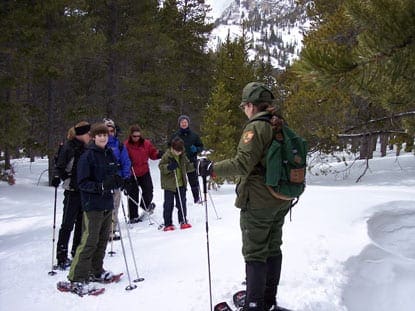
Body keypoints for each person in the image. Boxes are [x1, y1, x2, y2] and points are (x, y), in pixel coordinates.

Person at [198, 82, 292, 311]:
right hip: (281, 198)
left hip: (259, 201)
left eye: (244, 106)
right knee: (272, 248)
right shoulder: (280, 124)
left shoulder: (256, 128)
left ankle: (254, 306)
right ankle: (268, 302)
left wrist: (211, 168)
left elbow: (242, 164)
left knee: (255, 252)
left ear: (251, 105)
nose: (244, 110)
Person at [68, 123, 123, 289]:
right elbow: (82, 182)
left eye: (105, 135)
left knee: (102, 240)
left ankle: (96, 270)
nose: (103, 138)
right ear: (93, 137)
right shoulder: (88, 156)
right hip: (92, 204)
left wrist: (118, 180)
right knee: (89, 241)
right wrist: (100, 186)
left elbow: (114, 173)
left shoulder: (109, 154)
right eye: (99, 135)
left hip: (107, 202)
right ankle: (76, 277)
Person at [51, 121, 91, 269]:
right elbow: (59, 166)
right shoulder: (68, 147)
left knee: (81, 223)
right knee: (67, 224)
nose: (90, 136)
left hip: (84, 191)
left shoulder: (87, 147)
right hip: (72, 191)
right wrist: (58, 177)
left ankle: (76, 252)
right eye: (88, 134)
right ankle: (61, 257)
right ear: (81, 134)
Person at [124, 124, 163, 223]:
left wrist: (159, 154)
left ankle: (144, 205)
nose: (136, 138)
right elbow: (124, 158)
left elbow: (152, 154)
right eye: (134, 136)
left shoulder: (146, 143)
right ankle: (133, 216)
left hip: (144, 171)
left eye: (138, 136)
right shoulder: (126, 145)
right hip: (132, 172)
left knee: (149, 190)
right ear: (131, 135)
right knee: (133, 194)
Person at [103, 118, 131, 240]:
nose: (110, 133)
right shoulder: (100, 144)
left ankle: (111, 230)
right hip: (103, 181)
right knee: (104, 207)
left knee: (115, 206)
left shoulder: (119, 145)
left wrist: (125, 177)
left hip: (116, 179)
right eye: (107, 130)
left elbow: (126, 161)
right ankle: (103, 231)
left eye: (112, 130)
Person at [159, 137, 194, 231]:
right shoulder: (167, 155)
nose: (178, 153)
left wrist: (195, 165)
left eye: (180, 151)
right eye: (177, 151)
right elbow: (161, 167)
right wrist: (169, 167)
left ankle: (183, 220)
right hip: (169, 185)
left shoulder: (182, 156)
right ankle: (168, 223)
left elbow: (187, 166)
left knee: (182, 203)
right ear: (172, 148)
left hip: (181, 183)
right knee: (168, 204)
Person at [170, 115, 204, 204]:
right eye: (182, 122)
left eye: (185, 122)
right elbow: (169, 147)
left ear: (188, 123)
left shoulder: (194, 135)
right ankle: (181, 199)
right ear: (179, 124)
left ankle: (196, 198)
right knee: (180, 181)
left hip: (191, 161)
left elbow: (201, 146)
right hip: (179, 162)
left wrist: (196, 149)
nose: (184, 124)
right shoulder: (175, 136)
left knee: (193, 180)